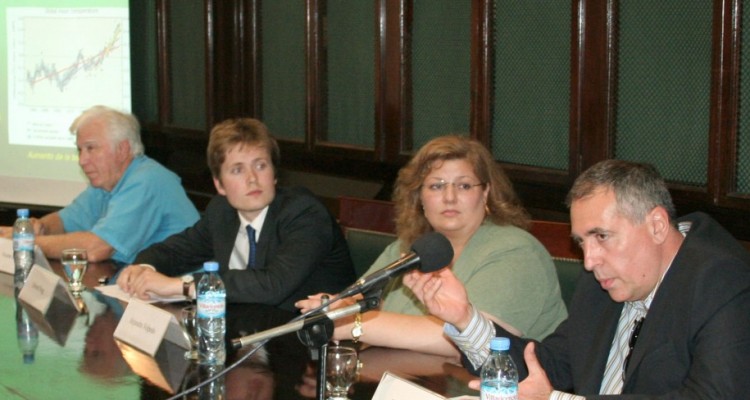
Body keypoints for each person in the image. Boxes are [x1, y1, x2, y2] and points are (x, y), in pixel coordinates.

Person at [405, 159, 750, 399]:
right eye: (582, 242)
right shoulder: (602, 284)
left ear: (657, 226)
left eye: (601, 237)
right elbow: (547, 367)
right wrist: (465, 318)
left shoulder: (723, 281)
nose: (589, 260)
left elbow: (713, 396)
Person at [297, 135, 567, 357]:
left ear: (485, 193)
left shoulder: (516, 251)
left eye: (463, 186)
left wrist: (351, 325)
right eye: (436, 186)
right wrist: (336, 306)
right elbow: (360, 302)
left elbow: (458, 339)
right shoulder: (408, 248)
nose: (449, 197)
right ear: (419, 197)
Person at [116, 117, 355, 312]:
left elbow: (271, 285)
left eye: (260, 165)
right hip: (246, 336)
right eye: (237, 170)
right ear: (219, 185)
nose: (252, 178)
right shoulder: (222, 212)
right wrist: (143, 267)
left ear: (274, 174)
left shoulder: (304, 214)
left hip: (313, 346)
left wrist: (183, 286)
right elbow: (174, 251)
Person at [0, 105, 200, 264]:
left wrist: (25, 242)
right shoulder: (104, 184)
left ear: (122, 149)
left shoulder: (148, 180)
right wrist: (39, 227)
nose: (82, 160)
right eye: (80, 150)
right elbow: (65, 220)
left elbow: (96, 248)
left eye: (91, 148)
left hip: (183, 299)